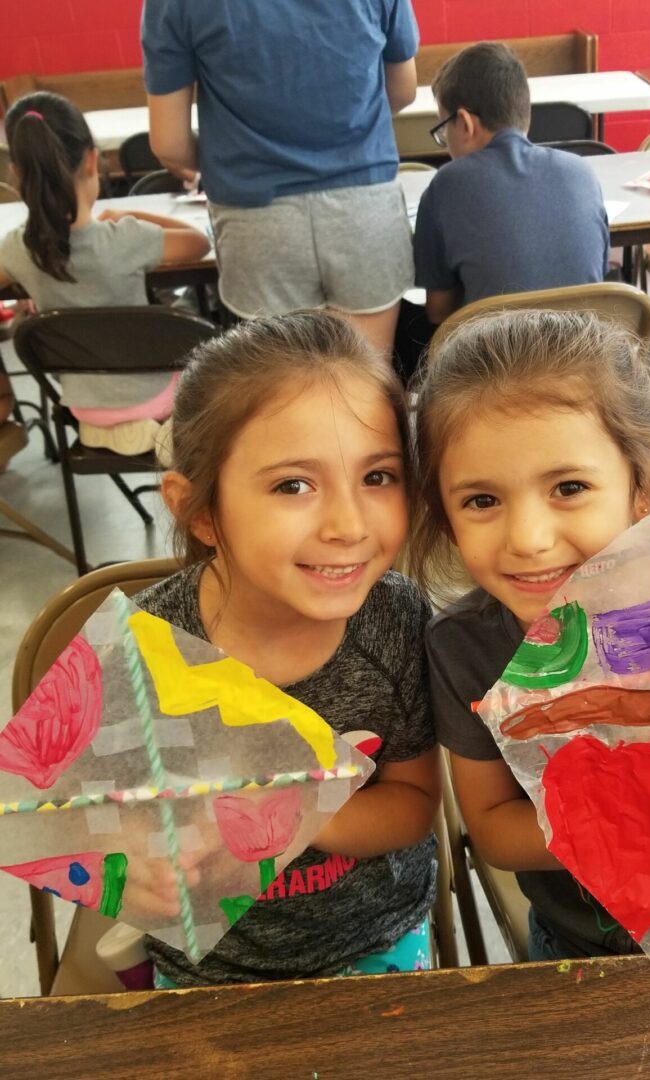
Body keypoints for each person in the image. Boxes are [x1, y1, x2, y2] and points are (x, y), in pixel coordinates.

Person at [410, 307, 650, 961]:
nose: (529, 539)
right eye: (481, 500)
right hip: (578, 946)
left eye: (569, 487)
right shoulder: (465, 649)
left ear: (642, 485)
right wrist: (627, 817)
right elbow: (492, 830)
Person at [133, 311, 439, 986]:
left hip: (372, 942)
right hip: (205, 966)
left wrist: (300, 817)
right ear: (202, 513)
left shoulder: (396, 625)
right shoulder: (149, 644)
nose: (347, 524)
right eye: (292, 485)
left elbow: (416, 803)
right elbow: (104, 820)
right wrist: (140, 873)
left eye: (378, 476)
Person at [141, 0, 419, 356]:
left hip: (255, 215)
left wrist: (227, 160)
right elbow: (403, 89)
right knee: (367, 377)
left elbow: (169, 143)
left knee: (282, 391)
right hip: (364, 203)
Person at [0, 92, 210, 457]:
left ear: (17, 172)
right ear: (92, 160)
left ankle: (107, 429)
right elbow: (198, 243)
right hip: (155, 395)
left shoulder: (19, 249)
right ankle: (164, 428)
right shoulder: (125, 238)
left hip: (83, 405)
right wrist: (132, 218)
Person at [412, 42, 609, 328]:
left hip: (495, 364)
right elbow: (595, 274)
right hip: (582, 358)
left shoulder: (447, 183)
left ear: (465, 123)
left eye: (444, 130)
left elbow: (438, 313)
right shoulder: (582, 172)